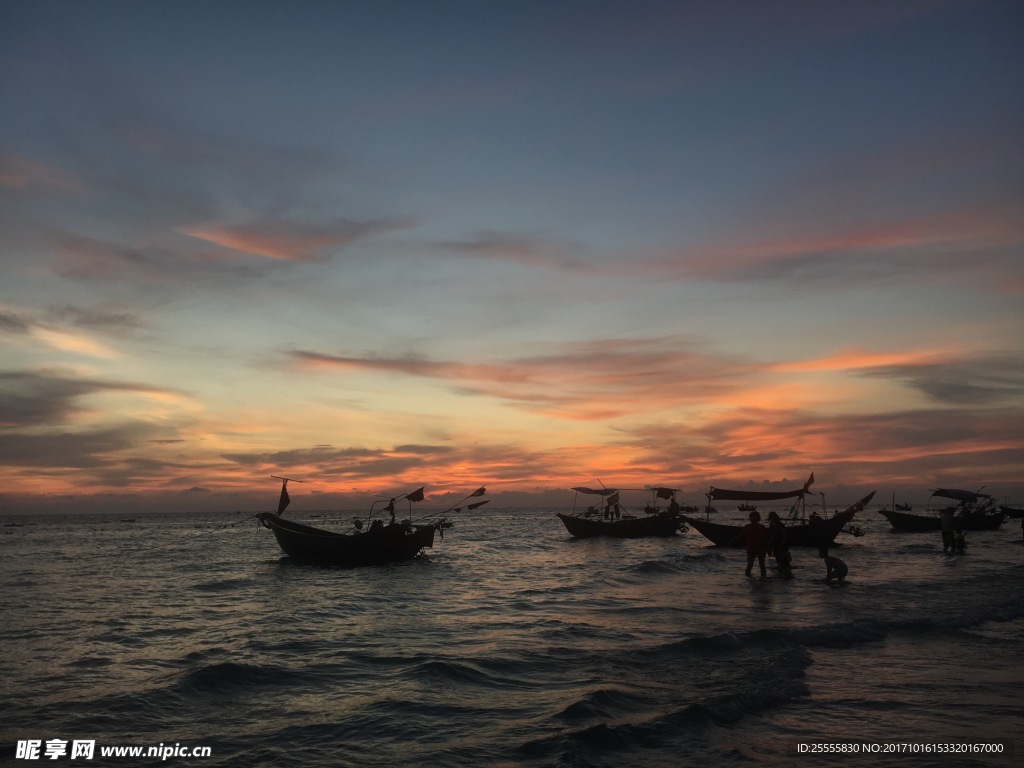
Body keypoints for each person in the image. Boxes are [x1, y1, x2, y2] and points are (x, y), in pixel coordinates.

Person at [730, 510, 768, 578]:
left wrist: (768, 548)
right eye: (752, 517)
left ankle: (763, 579)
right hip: (751, 548)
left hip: (761, 548)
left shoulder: (761, 527)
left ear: (758, 518)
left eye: (754, 517)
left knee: (762, 565)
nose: (753, 519)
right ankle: (748, 580)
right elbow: (741, 535)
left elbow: (765, 539)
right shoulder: (747, 527)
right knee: (750, 565)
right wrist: (732, 540)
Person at [767, 511, 793, 580]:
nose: (770, 518)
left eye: (771, 517)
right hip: (775, 544)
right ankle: (781, 572)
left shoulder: (780, 525)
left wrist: (783, 542)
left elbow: (784, 535)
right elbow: (772, 535)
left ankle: (786, 572)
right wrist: (769, 545)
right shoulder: (771, 525)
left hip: (782, 543)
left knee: (784, 558)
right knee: (778, 558)